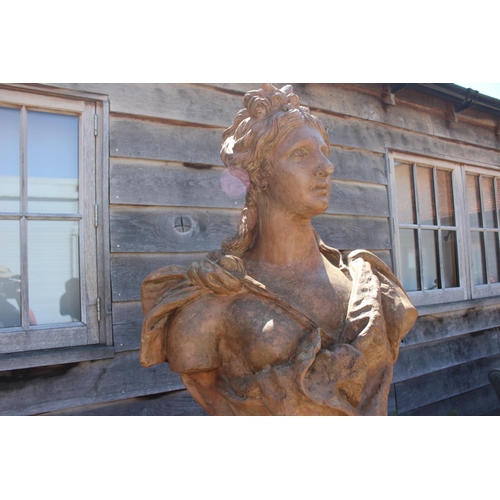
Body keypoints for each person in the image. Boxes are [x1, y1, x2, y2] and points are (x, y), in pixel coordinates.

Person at [140, 84, 418, 415]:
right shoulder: (210, 305)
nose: (326, 166)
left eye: (324, 150)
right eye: (301, 153)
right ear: (259, 175)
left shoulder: (369, 282)